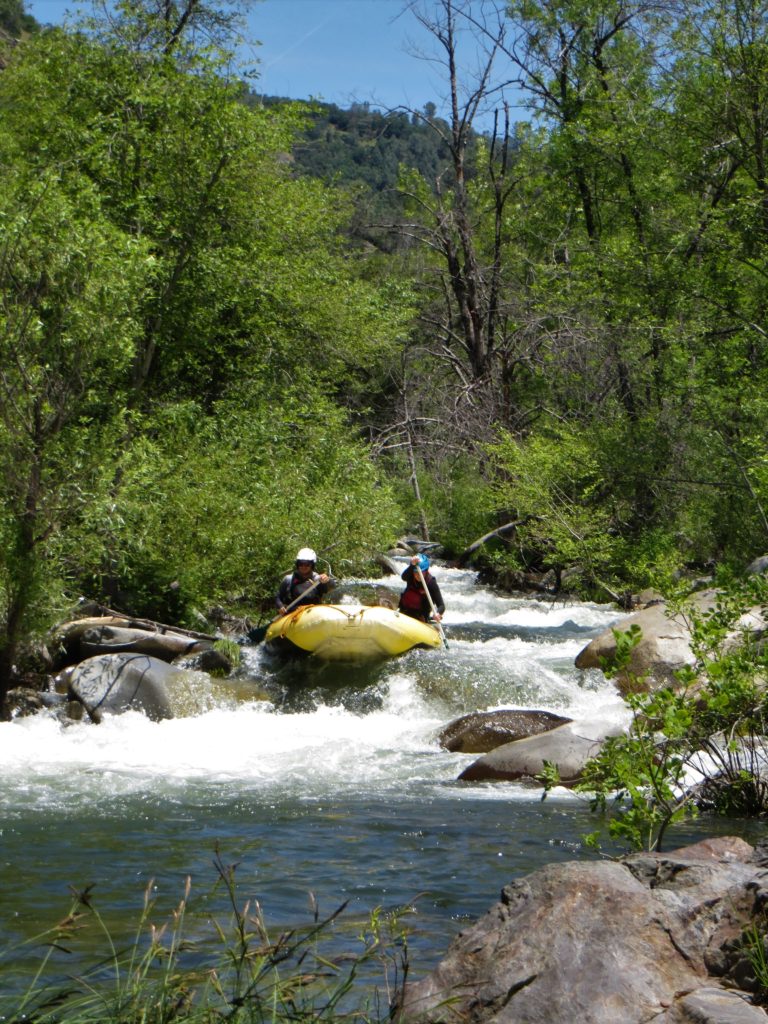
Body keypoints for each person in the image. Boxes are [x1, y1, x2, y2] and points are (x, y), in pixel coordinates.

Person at [276, 548, 335, 615]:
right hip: (293, 614)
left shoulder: (317, 579)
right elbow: (278, 597)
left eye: (307, 564)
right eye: (301, 564)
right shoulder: (288, 579)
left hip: (313, 614)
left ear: (312, 565)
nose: (303, 567)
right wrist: (280, 606)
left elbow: (332, 587)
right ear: (297, 564)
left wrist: (328, 580)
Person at [398, 554, 445, 623]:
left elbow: (441, 605)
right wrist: (412, 565)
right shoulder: (410, 576)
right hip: (404, 612)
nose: (417, 575)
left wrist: (438, 613)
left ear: (426, 571)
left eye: (420, 573)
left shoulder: (431, 583)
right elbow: (403, 577)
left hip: (420, 618)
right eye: (415, 572)